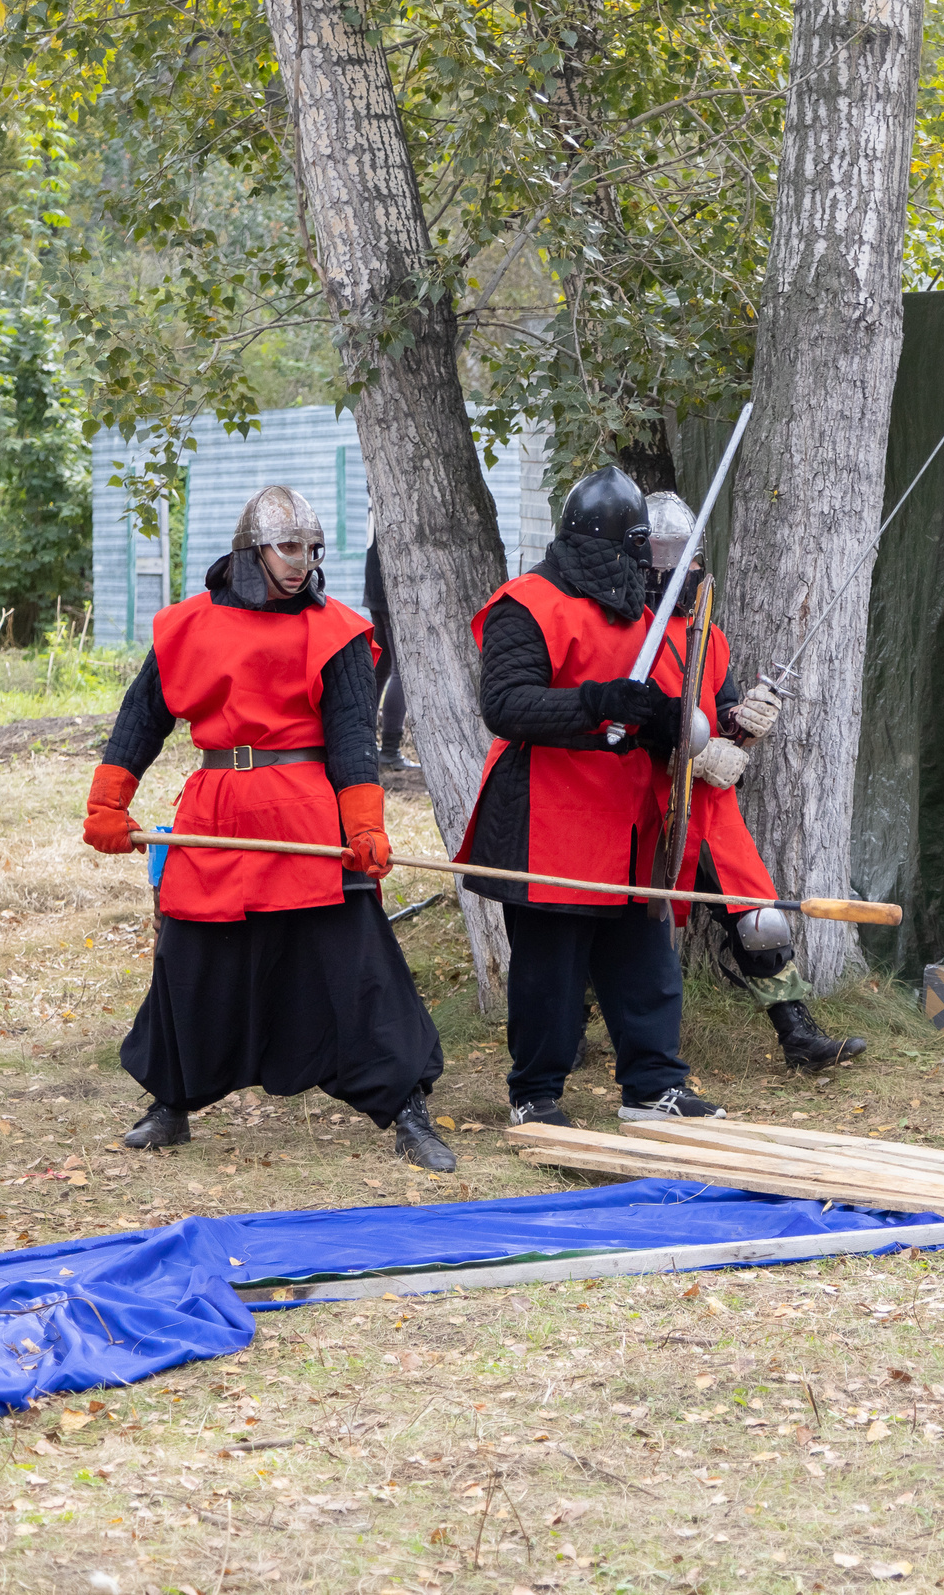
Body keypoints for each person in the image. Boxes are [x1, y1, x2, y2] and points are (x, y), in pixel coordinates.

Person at [81, 486, 455, 1170]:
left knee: (355, 962)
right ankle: (171, 1102)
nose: (301, 561)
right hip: (216, 813)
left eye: (312, 549)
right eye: (288, 546)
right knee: (192, 960)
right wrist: (108, 802)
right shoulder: (187, 626)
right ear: (252, 549)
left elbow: (352, 737)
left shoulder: (336, 630)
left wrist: (364, 826)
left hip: (306, 813)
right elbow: (141, 719)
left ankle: (407, 1106)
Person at [460, 464, 725, 1128]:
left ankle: (652, 1086)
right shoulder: (528, 602)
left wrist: (665, 719)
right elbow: (506, 706)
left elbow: (654, 703)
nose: (646, 560)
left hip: (628, 811)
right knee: (549, 967)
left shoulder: (644, 615)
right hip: (551, 808)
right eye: (638, 545)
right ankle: (535, 1093)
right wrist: (596, 701)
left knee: (644, 959)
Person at [640, 492, 865, 1071]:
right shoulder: (623, 634)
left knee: (758, 917)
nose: (686, 575)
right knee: (623, 920)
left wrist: (745, 722)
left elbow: (720, 710)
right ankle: (580, 1033)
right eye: (674, 566)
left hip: (709, 806)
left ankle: (798, 1036)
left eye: (692, 564)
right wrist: (688, 753)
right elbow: (621, 719)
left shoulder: (708, 636)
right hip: (638, 799)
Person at [363, 539, 409, 771]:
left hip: (375, 581)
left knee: (380, 667)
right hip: (392, 585)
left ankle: (365, 744)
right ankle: (390, 750)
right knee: (403, 671)